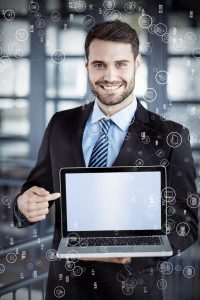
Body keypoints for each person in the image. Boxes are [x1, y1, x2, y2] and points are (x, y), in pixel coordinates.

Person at [14, 20, 198, 299]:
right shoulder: (60, 124)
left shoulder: (170, 136)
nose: (110, 76)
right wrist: (22, 205)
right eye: (99, 64)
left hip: (133, 288)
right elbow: (35, 190)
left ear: (136, 64)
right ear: (86, 66)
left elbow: (187, 223)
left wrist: (136, 255)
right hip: (66, 287)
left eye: (121, 64)